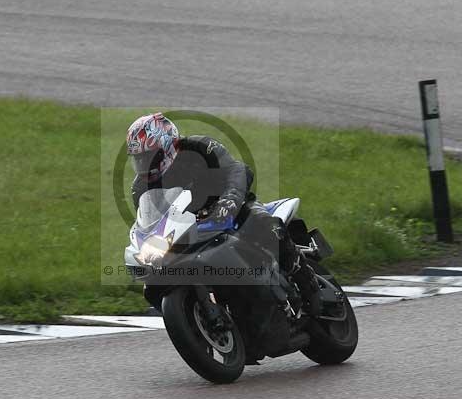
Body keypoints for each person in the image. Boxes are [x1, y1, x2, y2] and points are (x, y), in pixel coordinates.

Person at [126, 112, 321, 314]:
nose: (143, 164)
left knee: (265, 224)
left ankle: (306, 281)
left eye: (148, 157)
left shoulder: (200, 147)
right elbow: (149, 220)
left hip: (229, 209)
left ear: (167, 146)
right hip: (189, 229)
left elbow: (236, 170)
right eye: (138, 159)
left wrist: (229, 200)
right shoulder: (140, 187)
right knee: (155, 282)